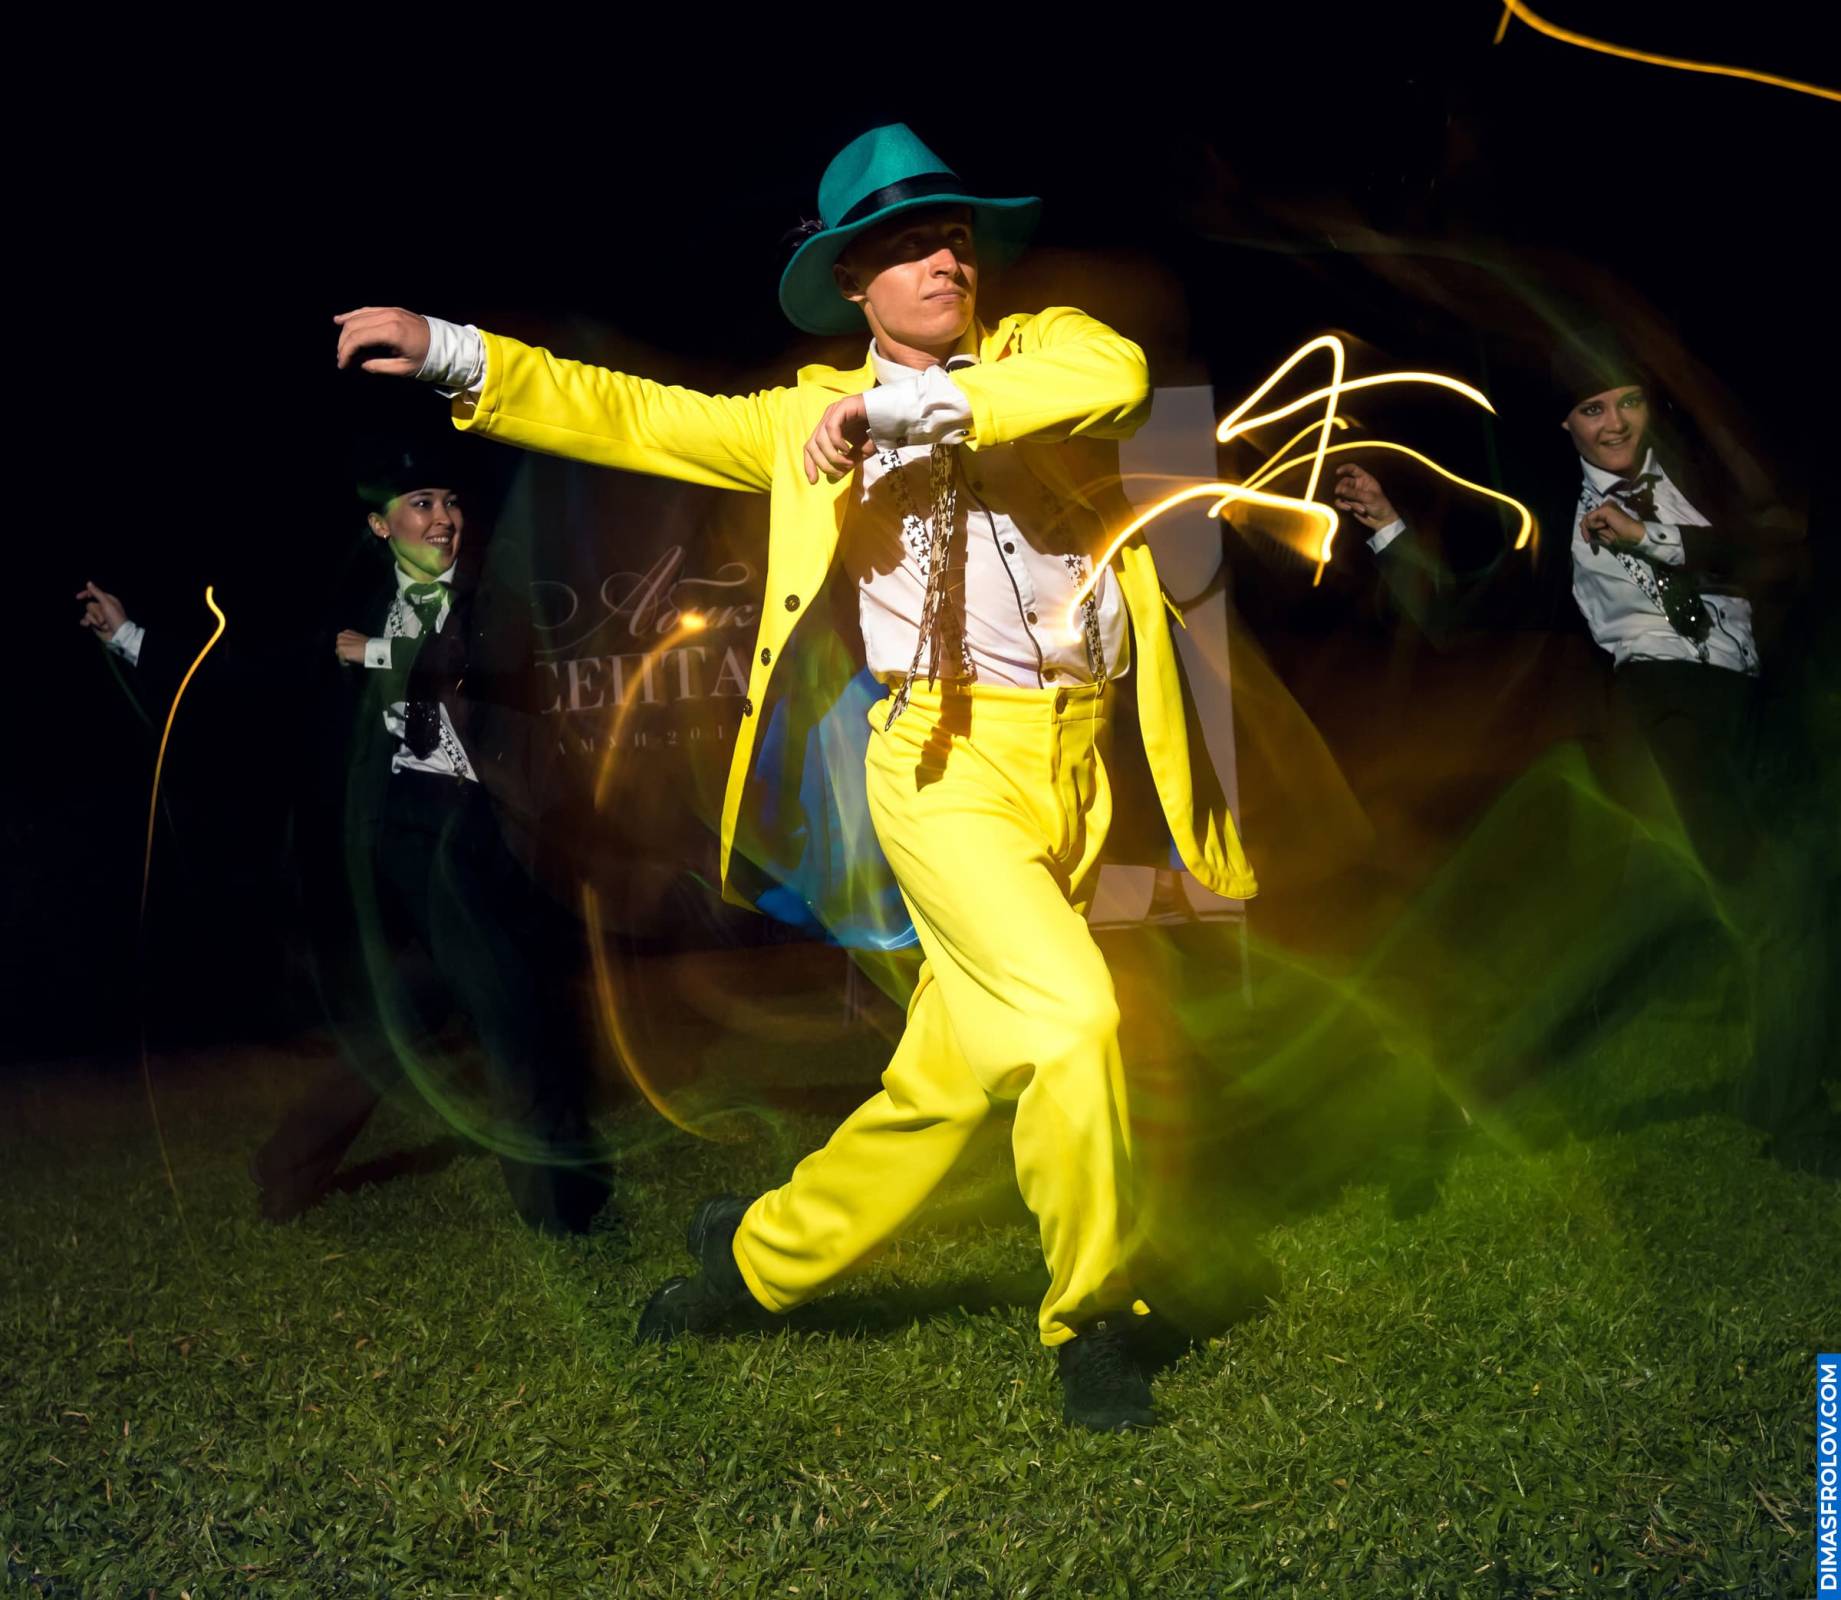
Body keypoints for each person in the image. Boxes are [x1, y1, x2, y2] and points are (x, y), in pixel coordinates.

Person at [334, 124, 1258, 1431]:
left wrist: (894, 413)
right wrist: (451, 352)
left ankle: (751, 1265)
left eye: (951, 237)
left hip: (1079, 767)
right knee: (1071, 1020)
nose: (941, 259)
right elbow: (629, 414)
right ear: (849, 286)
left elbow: (1108, 381)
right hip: (943, 770)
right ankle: (1092, 1319)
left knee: (952, 1077)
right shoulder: (793, 424)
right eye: (901, 247)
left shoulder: (1046, 350)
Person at [1332, 330, 1835, 1172]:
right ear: (1566, 427)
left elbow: (1777, 555)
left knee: (1629, 924)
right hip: (1656, 710)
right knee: (1779, 908)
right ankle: (1791, 1115)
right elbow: (1464, 615)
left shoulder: (1697, 478)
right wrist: (1387, 528)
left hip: (1748, 705)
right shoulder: (1558, 518)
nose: (1613, 423)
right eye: (1592, 410)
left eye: (1626, 402)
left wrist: (1655, 540)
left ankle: (1477, 1079)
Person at [248, 444, 611, 1232]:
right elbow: (258, 669)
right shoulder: (358, 607)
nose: (442, 518)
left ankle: (286, 1166)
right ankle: (563, 1211)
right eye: (420, 503)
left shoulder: (488, 600)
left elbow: (470, 662)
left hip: (477, 827)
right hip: (397, 842)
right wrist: (129, 636)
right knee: (511, 1010)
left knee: (409, 1021)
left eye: (450, 501)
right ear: (380, 525)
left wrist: (374, 652)